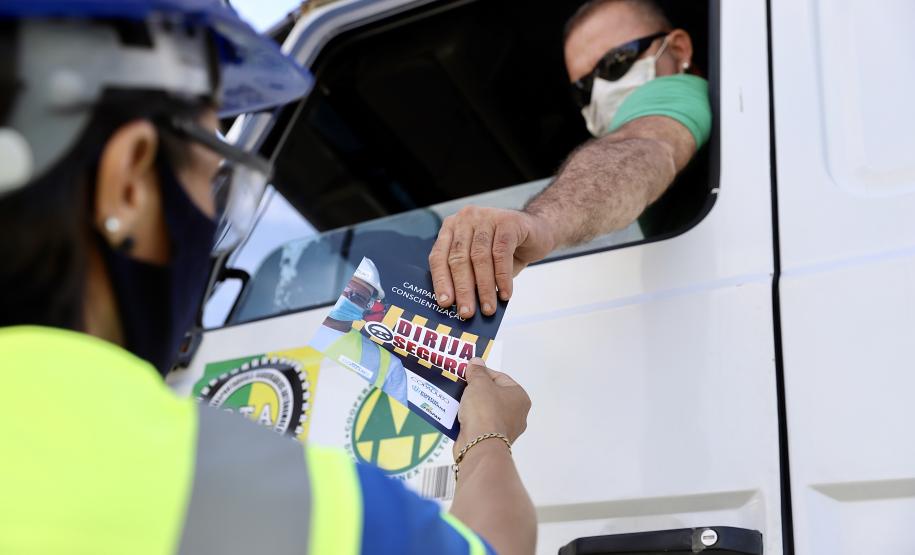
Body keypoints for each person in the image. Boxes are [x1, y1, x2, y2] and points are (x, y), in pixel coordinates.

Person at [0, 2, 537, 554]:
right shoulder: (273, 498)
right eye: (213, 180)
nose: (211, 219)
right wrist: (487, 439)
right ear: (129, 182)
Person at [428, 0, 712, 318]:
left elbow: (643, 145)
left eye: (615, 63)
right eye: (584, 88)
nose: (600, 90)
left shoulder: (681, 92)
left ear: (678, 48)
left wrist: (541, 222)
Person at [309, 258, 409, 406]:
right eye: (340, 288)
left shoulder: (388, 365)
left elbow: (392, 417)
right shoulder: (290, 324)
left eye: (357, 297)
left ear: (368, 306)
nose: (344, 298)